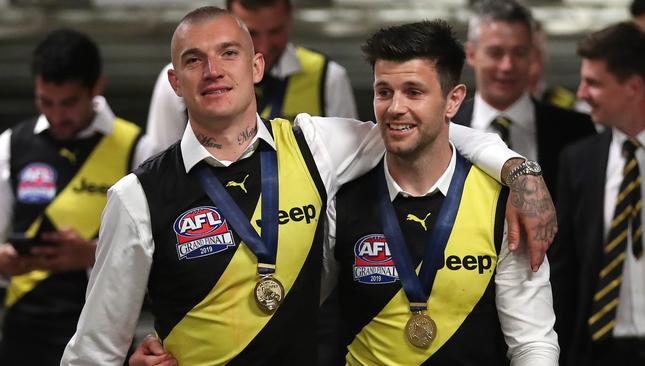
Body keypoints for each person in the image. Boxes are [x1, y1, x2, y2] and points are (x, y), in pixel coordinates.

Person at [61, 7, 556, 365]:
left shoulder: (314, 146)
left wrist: (520, 171)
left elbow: (423, 129)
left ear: (256, 67)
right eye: (194, 60)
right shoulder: (136, 196)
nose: (213, 71)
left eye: (228, 53)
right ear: (174, 82)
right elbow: (93, 350)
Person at [323, 19, 558, 366]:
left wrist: (521, 172)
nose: (395, 107)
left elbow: (532, 343)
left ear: (453, 101)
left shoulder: (502, 203)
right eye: (383, 91)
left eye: (414, 92)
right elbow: (304, 313)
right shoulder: (341, 197)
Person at [0, 28, 156, 365]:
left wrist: (92, 254)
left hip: (103, 335)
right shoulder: (11, 144)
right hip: (22, 336)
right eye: (45, 101)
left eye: (68, 102)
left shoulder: (138, 148)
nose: (57, 115)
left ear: (97, 86)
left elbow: (162, 256)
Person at [549, 22, 645, 366]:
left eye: (593, 83)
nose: (580, 93)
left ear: (633, 87)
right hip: (599, 352)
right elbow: (564, 271)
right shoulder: (578, 161)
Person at [146, 0, 358, 150]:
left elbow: (348, 160)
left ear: (289, 18)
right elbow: (161, 166)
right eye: (252, 33)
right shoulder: (182, 81)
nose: (264, 46)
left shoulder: (328, 76)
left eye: (275, 31)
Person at [454, 0, 594, 197]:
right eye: (495, 53)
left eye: (519, 53)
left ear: (533, 56)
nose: (507, 66)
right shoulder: (445, 129)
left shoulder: (577, 132)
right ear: (471, 54)